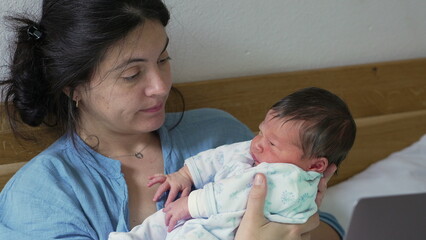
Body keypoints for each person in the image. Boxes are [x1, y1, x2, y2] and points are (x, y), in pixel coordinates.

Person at [0, 1, 343, 239]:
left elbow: (326, 228)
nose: (161, 86)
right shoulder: (40, 195)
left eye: (163, 59)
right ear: (74, 87)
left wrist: (305, 221)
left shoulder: (220, 134)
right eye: (132, 74)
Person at [108, 87, 356, 240]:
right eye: (261, 132)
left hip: (220, 231)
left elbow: (238, 194)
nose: (258, 143)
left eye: (273, 144)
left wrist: (192, 204)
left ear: (315, 166)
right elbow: (219, 156)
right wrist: (186, 174)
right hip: (202, 220)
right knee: (161, 220)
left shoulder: (291, 180)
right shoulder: (257, 151)